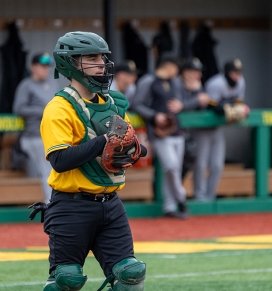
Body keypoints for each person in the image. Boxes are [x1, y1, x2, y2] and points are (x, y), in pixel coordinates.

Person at [38, 32, 146, 291]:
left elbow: (135, 149)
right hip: (71, 206)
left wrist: (134, 148)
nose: (101, 62)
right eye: (91, 57)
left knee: (131, 276)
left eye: (102, 57)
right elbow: (60, 160)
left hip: (111, 205)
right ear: (71, 63)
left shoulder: (114, 104)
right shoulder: (59, 107)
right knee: (67, 280)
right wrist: (103, 142)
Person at [132, 56, 187, 219]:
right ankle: (181, 198)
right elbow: (137, 104)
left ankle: (170, 206)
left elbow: (182, 101)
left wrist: (180, 105)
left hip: (176, 129)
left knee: (173, 169)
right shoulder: (148, 81)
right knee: (171, 166)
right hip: (159, 132)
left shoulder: (175, 82)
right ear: (169, 66)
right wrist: (155, 115)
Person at [194, 58, 246, 201]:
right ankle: (200, 196)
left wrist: (239, 110)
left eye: (239, 72)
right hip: (202, 127)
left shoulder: (241, 82)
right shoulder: (216, 84)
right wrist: (226, 108)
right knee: (201, 164)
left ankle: (210, 197)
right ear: (227, 73)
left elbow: (239, 102)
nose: (237, 76)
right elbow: (210, 106)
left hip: (217, 128)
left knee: (217, 165)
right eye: (234, 73)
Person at [13, 52, 57, 203]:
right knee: (48, 171)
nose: (45, 70)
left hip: (50, 134)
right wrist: (43, 110)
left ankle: (54, 203)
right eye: (42, 66)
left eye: (47, 67)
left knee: (55, 169)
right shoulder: (26, 85)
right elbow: (19, 109)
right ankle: (50, 204)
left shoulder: (50, 84)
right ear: (33, 67)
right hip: (33, 136)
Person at [178, 58, 210, 180]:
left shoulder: (200, 87)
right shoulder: (176, 84)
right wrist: (196, 99)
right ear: (186, 72)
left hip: (192, 132)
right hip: (173, 131)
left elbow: (204, 108)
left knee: (191, 159)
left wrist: (197, 92)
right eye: (195, 71)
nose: (199, 75)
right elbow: (177, 106)